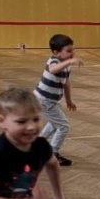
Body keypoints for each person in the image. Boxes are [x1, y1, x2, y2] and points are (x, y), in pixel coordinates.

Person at [35, 33, 82, 167]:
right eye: (69, 51)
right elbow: (53, 70)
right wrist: (69, 61)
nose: (72, 54)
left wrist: (69, 101)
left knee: (54, 123)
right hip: (44, 100)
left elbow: (66, 83)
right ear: (56, 52)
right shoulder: (54, 61)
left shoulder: (66, 65)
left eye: (73, 50)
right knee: (63, 126)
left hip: (50, 101)